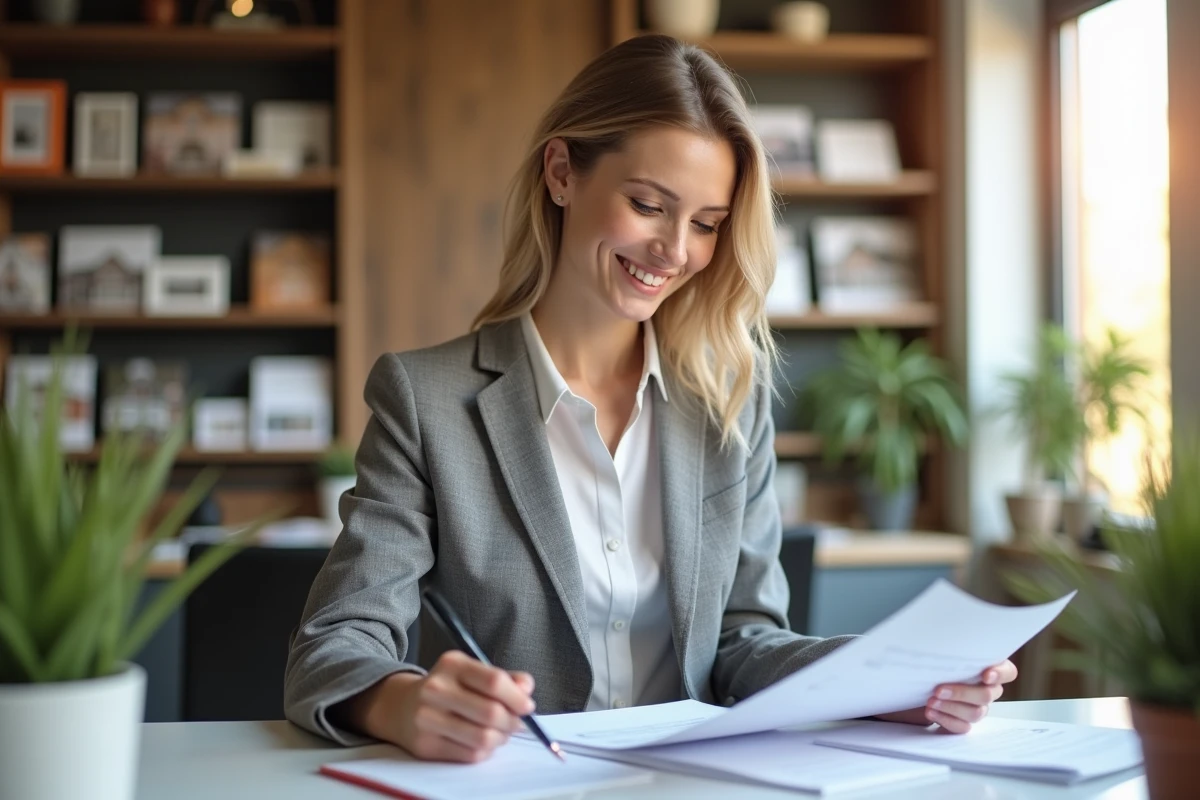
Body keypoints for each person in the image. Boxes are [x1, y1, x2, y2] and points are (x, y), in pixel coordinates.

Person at [283, 34, 1016, 763]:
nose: (675, 250)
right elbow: (336, 641)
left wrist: (883, 683)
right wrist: (405, 703)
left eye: (706, 224)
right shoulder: (428, 400)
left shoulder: (730, 402)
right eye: (647, 205)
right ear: (562, 173)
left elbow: (744, 642)